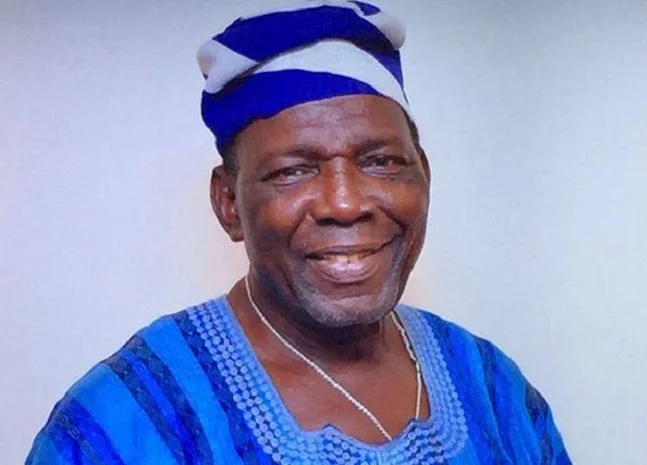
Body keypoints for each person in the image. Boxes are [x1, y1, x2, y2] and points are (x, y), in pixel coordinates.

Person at [26, 2, 571, 464]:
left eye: (381, 161)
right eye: (293, 171)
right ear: (229, 204)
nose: (345, 204)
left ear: (423, 176)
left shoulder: (493, 391)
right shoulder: (125, 425)